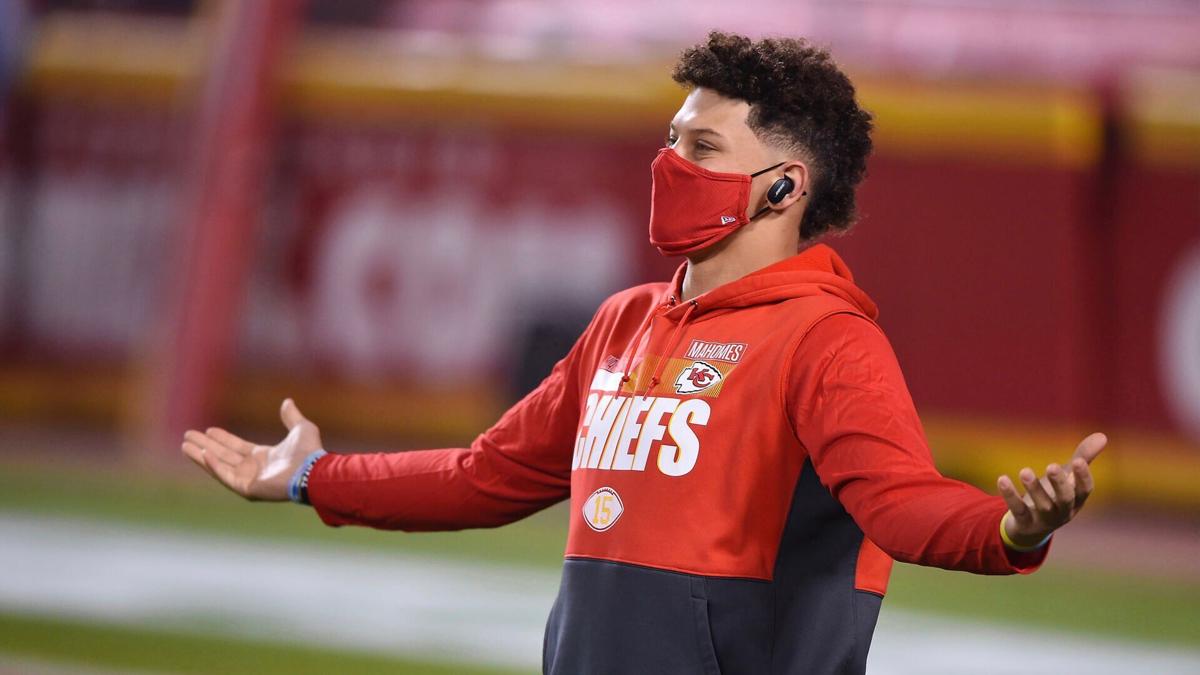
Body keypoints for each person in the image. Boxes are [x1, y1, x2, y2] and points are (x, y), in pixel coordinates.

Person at [181, 32, 1106, 675]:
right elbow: (481, 476)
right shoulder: (623, 322)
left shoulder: (830, 341)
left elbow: (902, 508)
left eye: (703, 146)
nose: (669, 162)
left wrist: (1014, 529)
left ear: (783, 188)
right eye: (671, 139)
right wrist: (312, 478)